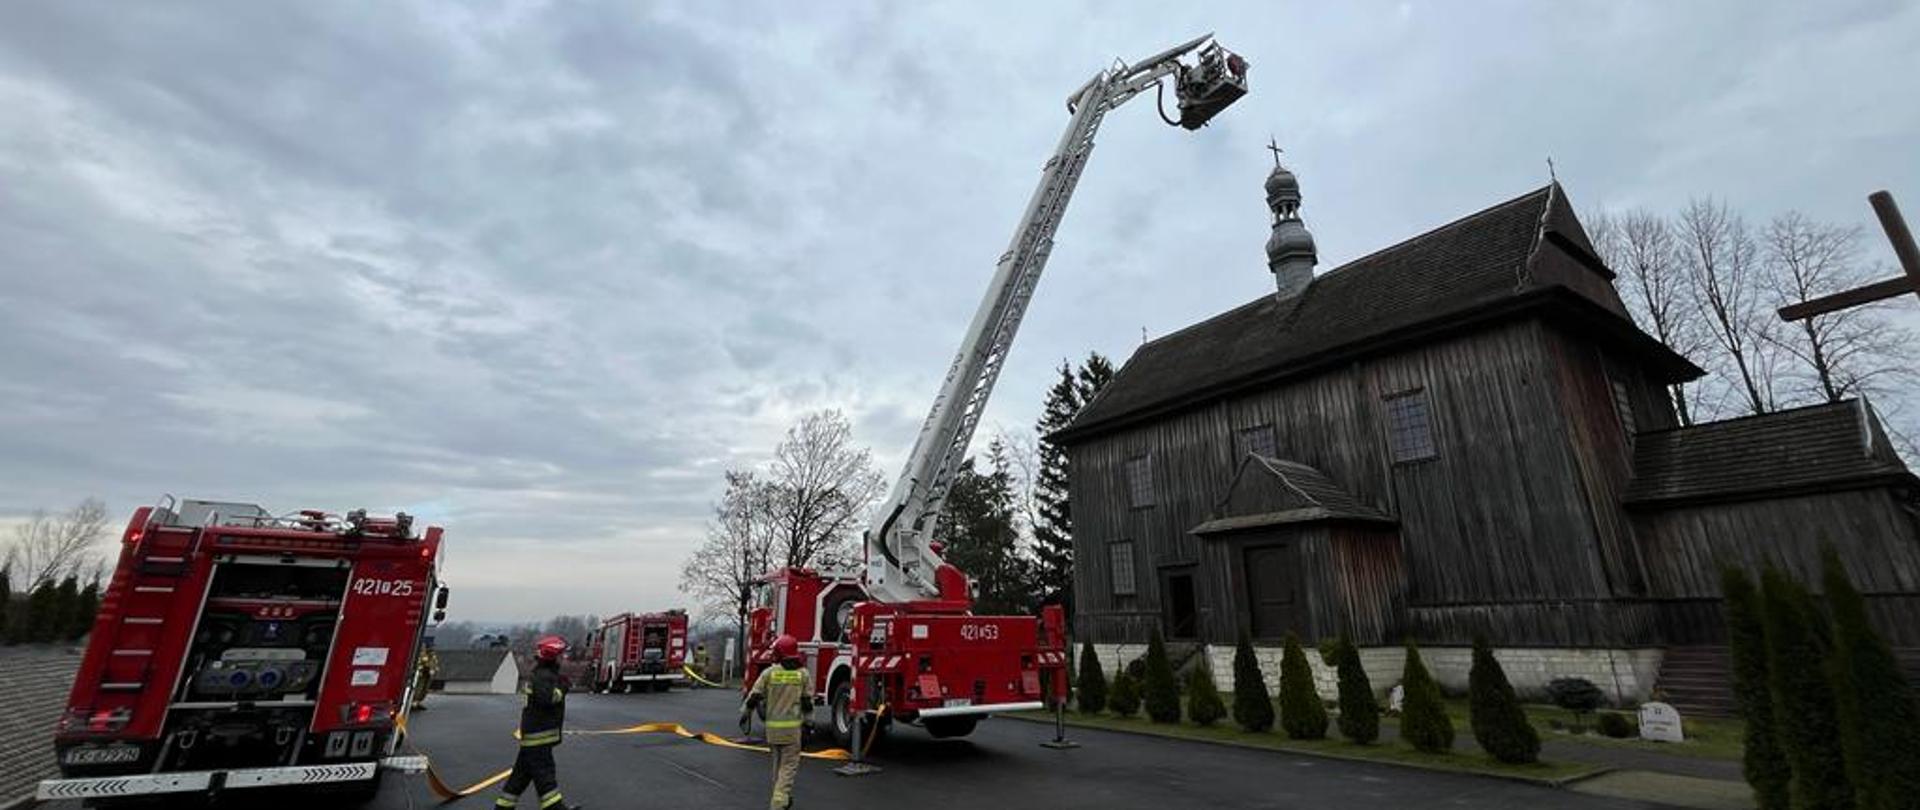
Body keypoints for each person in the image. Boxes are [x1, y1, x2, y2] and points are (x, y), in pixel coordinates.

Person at [496, 636, 581, 810]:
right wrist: (563, 687)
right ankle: (555, 808)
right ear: (553, 657)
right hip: (539, 739)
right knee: (546, 778)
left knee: (519, 779)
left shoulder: (541, 674)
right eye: (561, 655)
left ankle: (503, 807)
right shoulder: (544, 676)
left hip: (533, 738)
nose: (563, 658)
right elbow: (548, 699)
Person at [741, 635, 812, 810]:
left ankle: (781, 798)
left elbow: (754, 697)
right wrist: (810, 724)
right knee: (788, 768)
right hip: (792, 732)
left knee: (778, 766)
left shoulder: (769, 673)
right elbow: (807, 703)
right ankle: (779, 803)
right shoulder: (802, 674)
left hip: (772, 731)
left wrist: (745, 714)